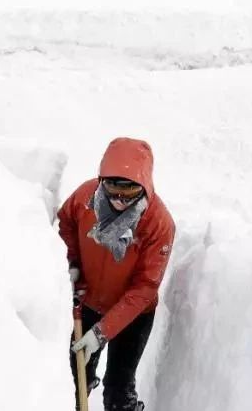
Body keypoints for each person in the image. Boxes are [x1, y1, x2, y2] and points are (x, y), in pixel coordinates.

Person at [57, 137, 176, 411]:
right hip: (86, 302)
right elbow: (66, 224)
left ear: (144, 185)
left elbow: (145, 288)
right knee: (77, 378)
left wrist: (101, 333)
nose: (120, 200)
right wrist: (72, 264)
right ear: (101, 180)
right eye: (112, 188)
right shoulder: (85, 198)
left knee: (119, 389)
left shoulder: (159, 224)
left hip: (133, 314)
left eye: (130, 191)